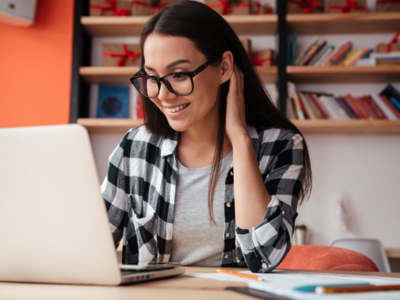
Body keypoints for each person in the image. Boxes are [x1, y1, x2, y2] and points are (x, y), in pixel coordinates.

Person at [101, 0, 312, 273]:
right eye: (152, 77)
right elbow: (91, 247)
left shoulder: (281, 146)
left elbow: (264, 256)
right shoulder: (135, 148)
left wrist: (240, 139)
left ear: (224, 68)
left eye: (178, 74)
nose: (163, 95)